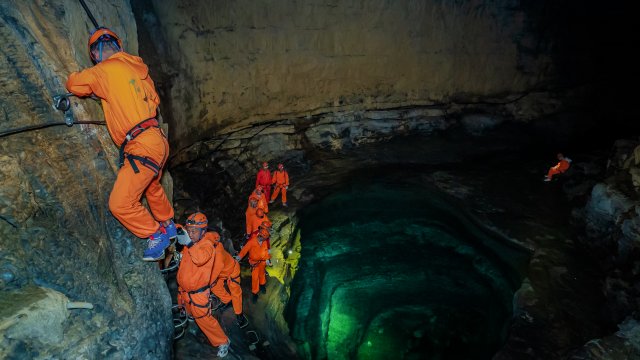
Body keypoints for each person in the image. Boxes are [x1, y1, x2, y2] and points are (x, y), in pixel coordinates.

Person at [66, 27, 176, 261]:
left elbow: (74, 84)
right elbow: (151, 101)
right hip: (158, 140)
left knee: (120, 203)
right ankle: (168, 222)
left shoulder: (103, 71)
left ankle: (156, 234)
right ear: (118, 47)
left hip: (141, 144)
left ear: (95, 55)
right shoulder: (139, 70)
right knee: (152, 184)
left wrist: (98, 87)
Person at [176, 212, 231, 357]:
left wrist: (188, 242)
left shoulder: (207, 245)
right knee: (187, 308)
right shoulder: (191, 243)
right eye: (189, 230)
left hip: (198, 293)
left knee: (204, 319)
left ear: (203, 231)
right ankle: (189, 315)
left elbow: (200, 258)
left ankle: (223, 341)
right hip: (185, 290)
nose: (191, 234)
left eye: (194, 231)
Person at [235, 228, 272, 302]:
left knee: (262, 274)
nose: (265, 240)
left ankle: (262, 285)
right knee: (255, 278)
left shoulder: (264, 242)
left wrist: (267, 259)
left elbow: (266, 251)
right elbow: (244, 250)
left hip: (262, 262)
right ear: (261, 236)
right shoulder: (252, 242)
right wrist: (238, 258)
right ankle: (255, 293)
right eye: (265, 238)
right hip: (254, 263)